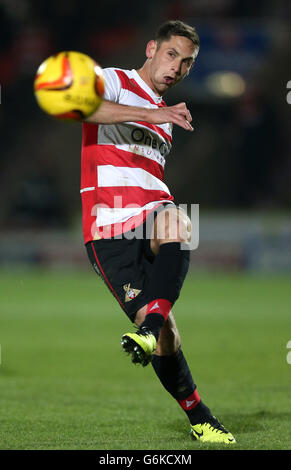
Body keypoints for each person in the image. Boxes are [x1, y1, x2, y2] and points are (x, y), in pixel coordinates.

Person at [81, 20, 236, 444]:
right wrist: (151, 112)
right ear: (152, 48)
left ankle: (148, 329)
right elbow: (81, 107)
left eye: (186, 63)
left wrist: (158, 115)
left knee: (179, 221)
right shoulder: (115, 80)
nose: (177, 68)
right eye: (172, 55)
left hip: (151, 212)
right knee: (168, 336)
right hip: (107, 229)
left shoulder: (167, 119)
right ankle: (198, 415)